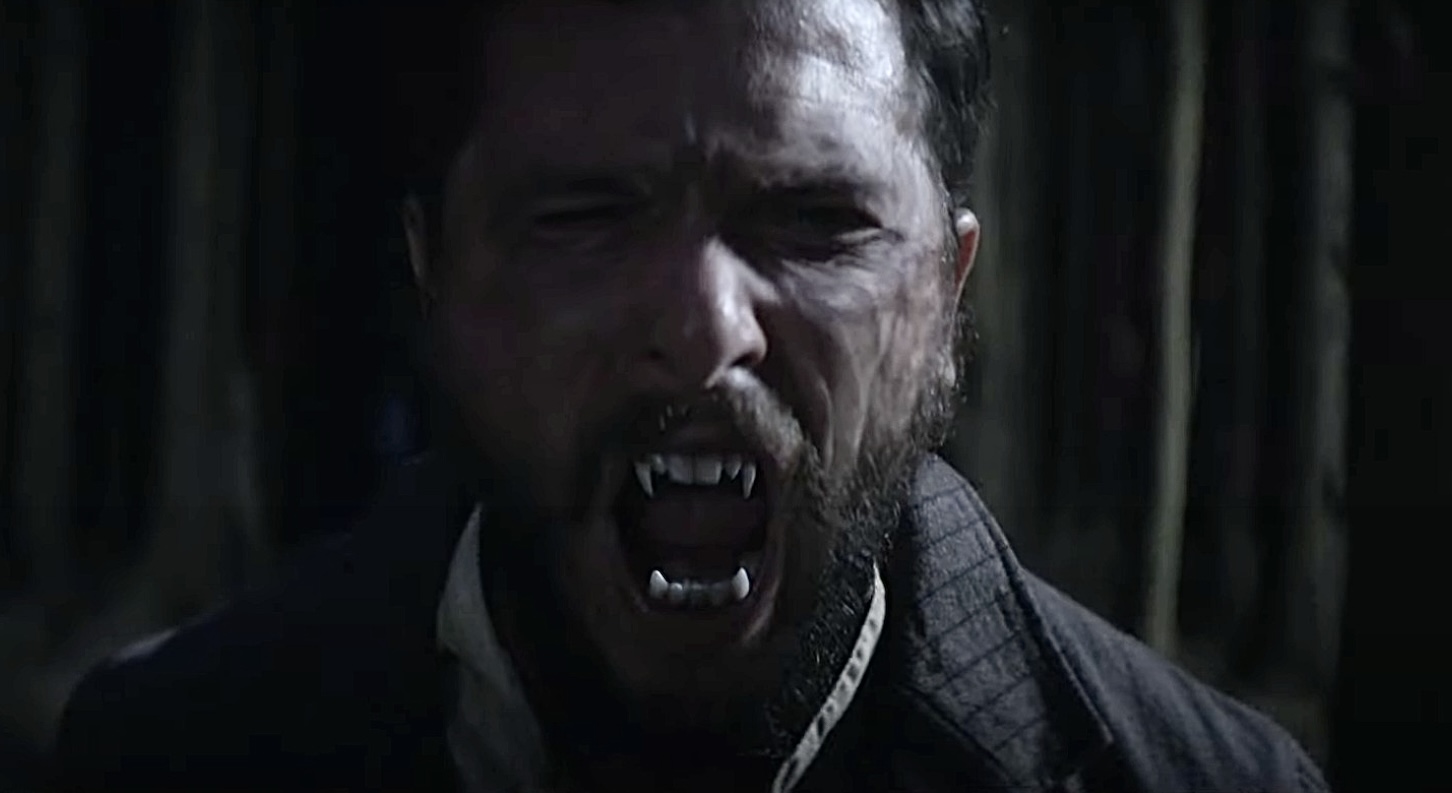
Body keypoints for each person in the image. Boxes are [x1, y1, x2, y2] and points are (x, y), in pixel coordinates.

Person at [53, 1, 1329, 791]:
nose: (706, 331)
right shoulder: (166, 755)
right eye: (587, 217)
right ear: (432, 275)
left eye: (814, 220)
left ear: (946, 295)